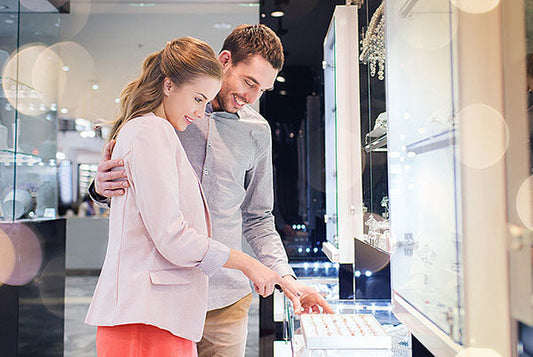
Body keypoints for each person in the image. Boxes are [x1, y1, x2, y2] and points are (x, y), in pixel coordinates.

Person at [89, 25, 333, 356]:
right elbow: (126, 186)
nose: (252, 97)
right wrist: (99, 188)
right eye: (249, 82)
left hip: (225, 298)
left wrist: (286, 280)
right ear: (225, 60)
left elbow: (258, 217)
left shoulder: (256, 132)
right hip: (162, 297)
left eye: (263, 89)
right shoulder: (168, 116)